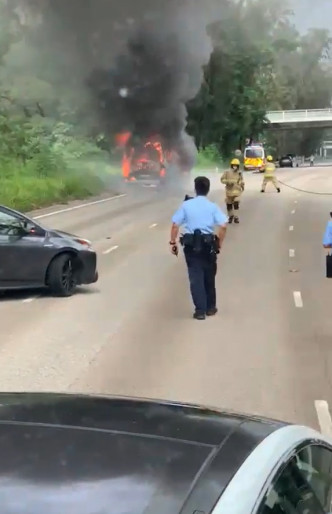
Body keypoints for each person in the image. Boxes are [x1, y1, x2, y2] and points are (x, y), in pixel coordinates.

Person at [170, 176, 228, 320]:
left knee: (196, 278)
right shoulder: (212, 206)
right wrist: (219, 242)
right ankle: (211, 307)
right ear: (208, 190)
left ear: (195, 189)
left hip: (191, 247)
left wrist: (173, 242)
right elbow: (223, 225)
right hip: (208, 246)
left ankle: (200, 310)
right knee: (209, 276)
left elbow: (175, 225)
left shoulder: (186, 205)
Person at [220, 158, 245, 224]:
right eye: (234, 165)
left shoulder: (239, 173)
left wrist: (242, 186)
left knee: (236, 203)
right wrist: (228, 182)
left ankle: (236, 217)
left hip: (237, 192)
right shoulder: (227, 172)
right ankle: (231, 216)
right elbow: (222, 180)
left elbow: (242, 180)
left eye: (236, 165)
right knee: (229, 205)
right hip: (229, 192)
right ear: (231, 165)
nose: (235, 167)